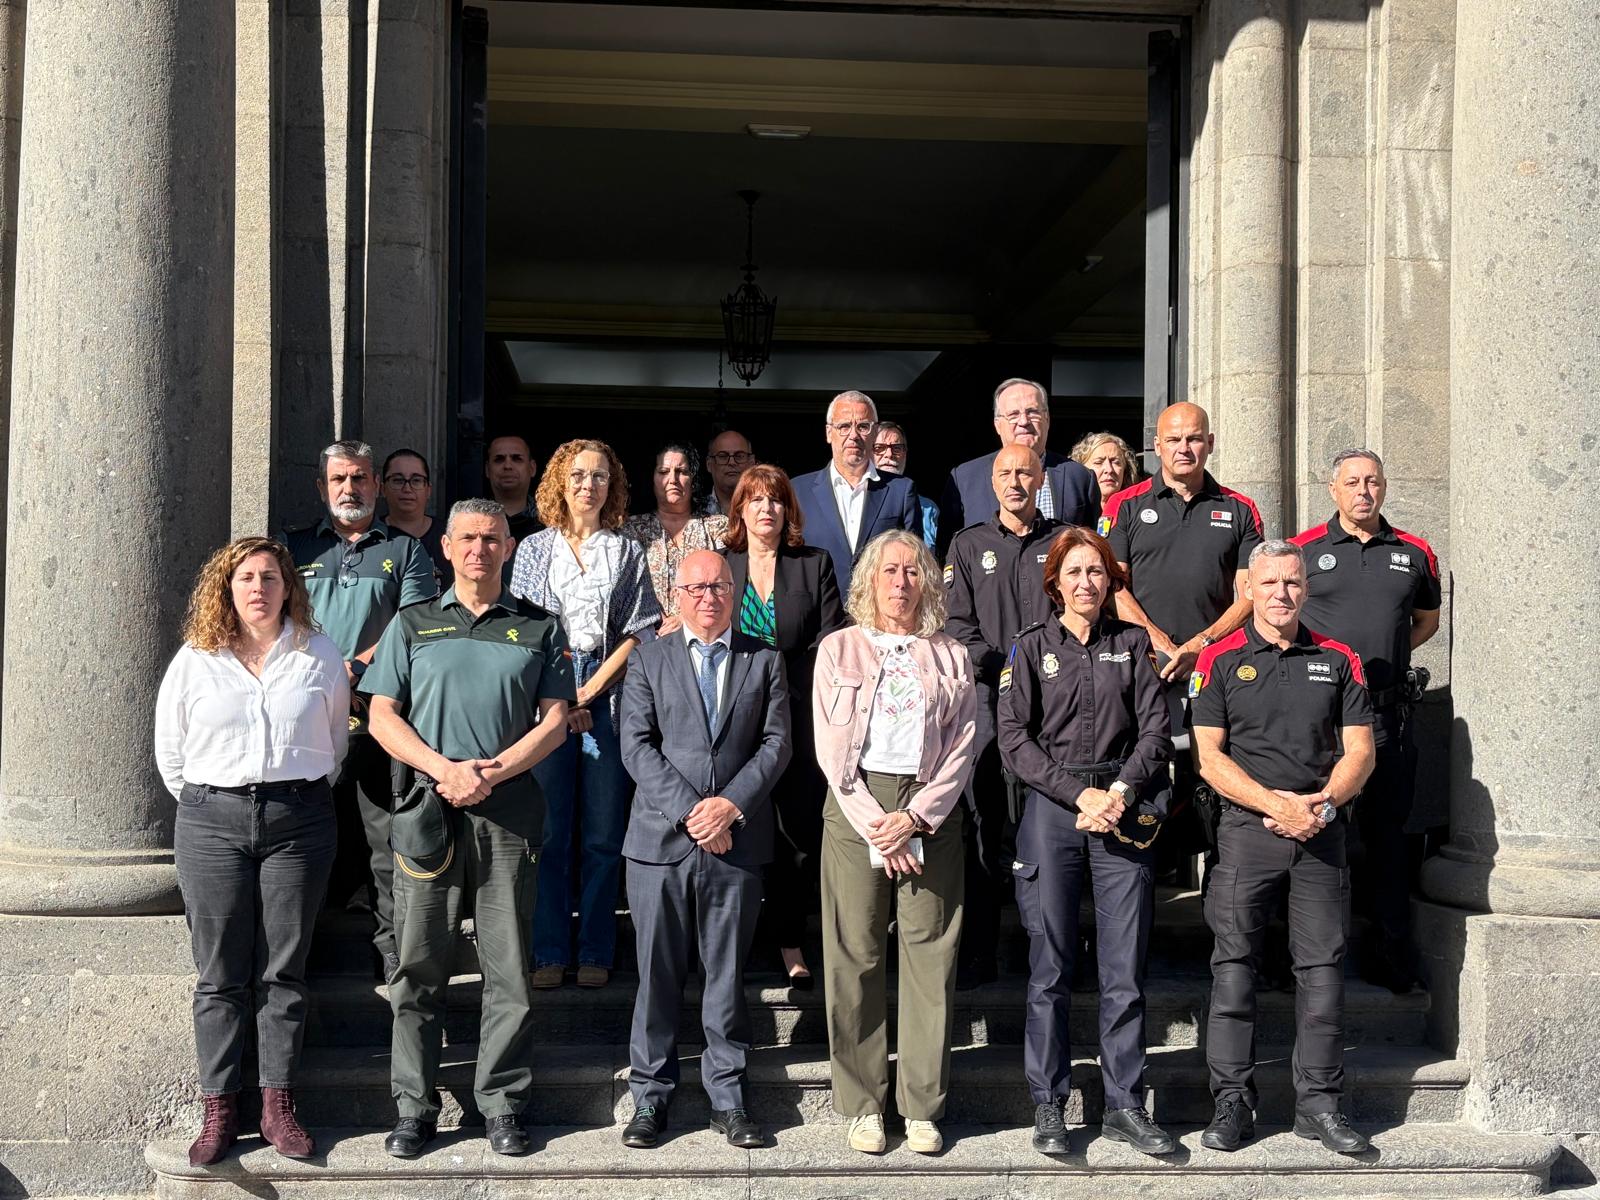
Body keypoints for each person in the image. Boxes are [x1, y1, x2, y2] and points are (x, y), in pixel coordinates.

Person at [361, 499, 575, 1159]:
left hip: (508, 815)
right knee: (419, 966)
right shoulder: (412, 623)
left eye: (491, 538)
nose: (479, 550)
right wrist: (445, 770)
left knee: (508, 968)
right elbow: (380, 716)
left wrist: (492, 773)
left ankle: (503, 1106)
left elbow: (556, 719)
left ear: (509, 548)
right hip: (428, 811)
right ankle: (414, 1110)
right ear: (447, 549)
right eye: (467, 540)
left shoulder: (540, 626)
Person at [154, 537, 350, 1166]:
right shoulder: (196, 657)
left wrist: (288, 788)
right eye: (245, 578)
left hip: (299, 819)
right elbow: (171, 751)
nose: (259, 588)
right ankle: (219, 1109)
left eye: (270, 577)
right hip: (211, 820)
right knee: (219, 974)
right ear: (226, 588)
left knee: (283, 969)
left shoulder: (317, 652)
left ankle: (276, 1104)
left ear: (289, 586)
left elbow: (334, 741)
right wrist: (218, 801)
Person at [1190, 539, 1376, 1155]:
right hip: (1248, 832)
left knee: (1322, 975)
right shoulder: (1218, 660)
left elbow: (1359, 751)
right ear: (1250, 590)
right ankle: (1231, 1103)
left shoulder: (1339, 658)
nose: (1281, 594)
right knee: (1234, 971)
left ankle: (1319, 1105)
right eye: (1269, 584)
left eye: (1292, 583)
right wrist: (1277, 806)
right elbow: (1208, 757)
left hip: (1322, 831)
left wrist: (1319, 805)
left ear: (1306, 587)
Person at [997, 527, 1175, 1157]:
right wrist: (1080, 797)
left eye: (1096, 573)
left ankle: (1126, 1104)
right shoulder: (1028, 649)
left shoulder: (1132, 646)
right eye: (1073, 572)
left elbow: (1157, 731)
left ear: (1110, 582)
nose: (1085, 583)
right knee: (1050, 969)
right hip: (1054, 812)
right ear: (1055, 582)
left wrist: (1120, 792)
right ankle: (1049, 1103)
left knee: (1123, 970)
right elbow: (1014, 740)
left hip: (1122, 810)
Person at [617, 550, 792, 1151]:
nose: (708, 597)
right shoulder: (648, 658)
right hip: (660, 843)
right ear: (676, 594)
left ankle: (728, 1098)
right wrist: (696, 813)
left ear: (733, 590)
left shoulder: (763, 658)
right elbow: (637, 747)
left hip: (736, 842)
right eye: (695, 587)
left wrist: (729, 806)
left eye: (719, 586)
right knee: (656, 976)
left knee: (726, 977)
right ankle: (649, 1099)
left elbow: (776, 745)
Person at [813, 530, 978, 1157]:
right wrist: (877, 824)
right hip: (858, 808)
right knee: (854, 954)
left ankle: (922, 1106)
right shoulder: (839, 648)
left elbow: (964, 745)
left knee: (929, 956)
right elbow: (831, 753)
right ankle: (862, 1104)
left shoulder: (950, 654)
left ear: (928, 581)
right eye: (889, 571)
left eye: (912, 571)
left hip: (930, 807)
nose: (901, 583)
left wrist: (915, 818)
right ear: (869, 581)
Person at [283, 439, 437, 984]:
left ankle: (392, 958)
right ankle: (299, 959)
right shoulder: (292, 547)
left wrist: (354, 669)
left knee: (383, 841)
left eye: (360, 479)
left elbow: (415, 622)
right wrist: (326, 672)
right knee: (301, 837)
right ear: (322, 487)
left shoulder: (407, 549)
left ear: (377, 485)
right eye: (339, 480)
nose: (350, 489)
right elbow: (279, 620)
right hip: (303, 714)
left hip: (379, 714)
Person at [510, 438, 661, 989]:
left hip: (609, 700)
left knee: (602, 834)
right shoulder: (532, 550)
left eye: (599, 476)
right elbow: (524, 630)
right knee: (550, 833)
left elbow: (640, 630)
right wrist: (561, 698)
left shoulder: (626, 552)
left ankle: (595, 947)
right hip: (545, 693)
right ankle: (549, 950)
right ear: (558, 483)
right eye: (577, 475)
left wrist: (588, 692)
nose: (588, 485)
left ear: (612, 486)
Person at [1291, 449, 1441, 992]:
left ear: (1384, 487)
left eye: (1372, 481)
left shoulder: (1415, 552)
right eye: (1352, 482)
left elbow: (1424, 620)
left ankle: (1390, 954)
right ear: (1332, 489)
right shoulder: (1303, 551)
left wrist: (1388, 656)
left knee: (1386, 836)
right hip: (1315, 720)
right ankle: (1299, 958)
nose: (1363, 491)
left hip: (1384, 715)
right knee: (1309, 831)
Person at [1100, 403, 1264, 866]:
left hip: (1216, 671)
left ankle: (1217, 890)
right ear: (1157, 446)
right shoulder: (1125, 505)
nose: (1184, 448)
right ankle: (1143, 876)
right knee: (1141, 778)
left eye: (1194, 438)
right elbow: (1114, 587)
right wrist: (1158, 641)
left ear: (1210, 444)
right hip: (1142, 667)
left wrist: (1201, 646)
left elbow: (1251, 594)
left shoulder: (1239, 508)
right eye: (1173, 440)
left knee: (1215, 783)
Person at [943, 444, 1065, 988]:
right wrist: (1011, 665)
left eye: (1025, 472)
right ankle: (980, 952)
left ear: (1041, 479)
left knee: (1052, 829)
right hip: (988, 703)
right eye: (1005, 473)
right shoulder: (968, 546)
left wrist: (1042, 671)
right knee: (983, 825)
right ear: (991, 482)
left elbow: (1081, 612)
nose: (1015, 481)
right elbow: (955, 627)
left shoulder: (1065, 541)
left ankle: (1056, 953)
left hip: (1057, 705)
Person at [722, 463, 845, 987]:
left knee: (796, 832)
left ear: (788, 509)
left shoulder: (812, 564)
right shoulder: (722, 565)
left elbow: (831, 637)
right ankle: (732, 940)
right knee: (737, 824)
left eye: (775, 499)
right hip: (732, 714)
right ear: (740, 510)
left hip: (797, 712)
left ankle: (791, 942)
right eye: (755, 500)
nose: (766, 508)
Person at [935, 378, 1099, 561]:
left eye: (1033, 412)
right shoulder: (965, 479)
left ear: (1047, 419)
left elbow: (1093, 547)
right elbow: (946, 552)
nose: (1024, 421)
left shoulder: (1079, 477)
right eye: (1013, 414)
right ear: (997, 425)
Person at [793, 390, 920, 596]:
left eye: (863, 426)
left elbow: (914, 561)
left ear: (875, 431)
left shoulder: (901, 490)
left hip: (880, 615)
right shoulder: (798, 491)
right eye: (844, 426)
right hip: (816, 617)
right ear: (828, 433)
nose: (853, 435)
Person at [621, 441, 729, 636]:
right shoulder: (632, 529)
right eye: (663, 472)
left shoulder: (717, 527)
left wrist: (685, 619)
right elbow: (625, 588)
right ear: (652, 479)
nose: (673, 479)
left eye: (682, 471)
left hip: (703, 637)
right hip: (647, 640)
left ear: (693, 479)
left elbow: (728, 585)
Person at [382, 448, 447, 589]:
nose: (407, 488)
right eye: (398, 480)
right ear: (383, 489)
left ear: (428, 489)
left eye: (416, 480)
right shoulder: (370, 538)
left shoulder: (450, 537)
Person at [872, 420, 939, 548]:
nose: (889, 454)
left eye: (897, 448)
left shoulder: (928, 508)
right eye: (879, 448)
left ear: (905, 454)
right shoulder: (859, 502)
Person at [486, 433, 542, 541]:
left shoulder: (551, 522)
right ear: (487, 469)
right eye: (499, 459)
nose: (507, 466)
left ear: (532, 468)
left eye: (517, 459)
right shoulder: (472, 520)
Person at [1071, 430, 1141, 504]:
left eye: (1116, 462)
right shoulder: (1069, 511)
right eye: (1098, 462)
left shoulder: (1136, 510)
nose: (1109, 469)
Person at [704, 429, 755, 515]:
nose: (732, 462)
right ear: (709, 464)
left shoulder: (764, 510)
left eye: (739, 456)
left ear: (752, 463)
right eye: (723, 456)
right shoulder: (693, 511)